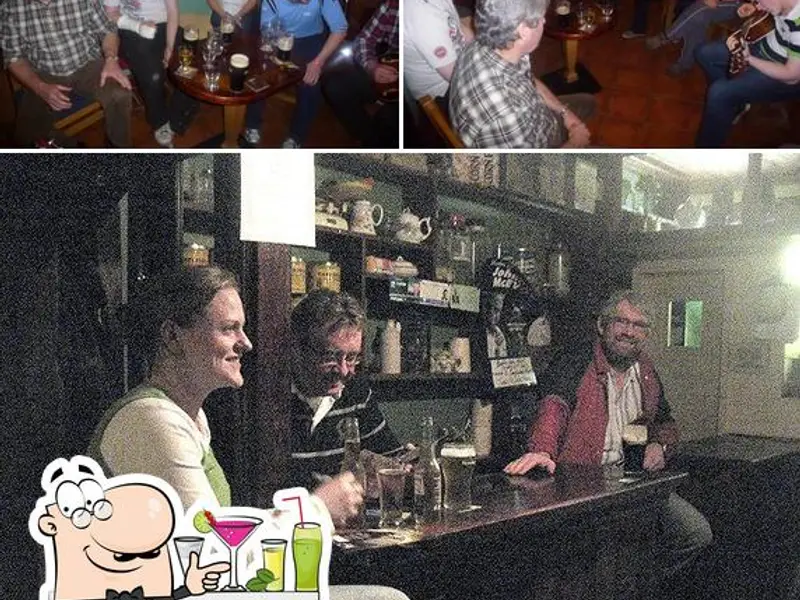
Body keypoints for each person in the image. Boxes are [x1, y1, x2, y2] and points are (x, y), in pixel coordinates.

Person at [88, 267, 362, 526]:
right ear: (172, 336)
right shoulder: (151, 419)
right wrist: (317, 508)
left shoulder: (190, 415)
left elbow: (220, 530)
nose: (246, 343)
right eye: (229, 328)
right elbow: (211, 546)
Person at [504, 289, 713, 582]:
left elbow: (665, 421)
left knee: (695, 533)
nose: (629, 332)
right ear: (602, 326)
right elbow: (554, 406)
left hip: (634, 481)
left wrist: (660, 445)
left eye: (639, 325)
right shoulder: (576, 361)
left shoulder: (647, 370)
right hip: (585, 485)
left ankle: (640, 587)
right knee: (593, 563)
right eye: (621, 322)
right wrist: (542, 450)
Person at [288, 289, 407, 492]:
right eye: (330, 357)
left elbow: (392, 457)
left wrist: (406, 466)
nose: (343, 371)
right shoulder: (270, 395)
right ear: (298, 349)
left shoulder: (356, 392)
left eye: (352, 357)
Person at [448, 0, 594, 148]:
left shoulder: (491, 44)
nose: (544, 21)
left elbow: (528, 80)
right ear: (524, 31)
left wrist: (565, 114)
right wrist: (576, 141)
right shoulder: (506, 114)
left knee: (589, 101)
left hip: (540, 116)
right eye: (541, 17)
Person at [0, 0, 133, 147]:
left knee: (120, 94)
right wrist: (39, 87)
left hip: (88, 63)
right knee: (25, 134)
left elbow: (108, 30)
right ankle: (69, 145)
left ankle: (117, 147)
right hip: (44, 72)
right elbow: (13, 57)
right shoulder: (10, 7)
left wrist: (111, 59)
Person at [241, 0, 348, 148]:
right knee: (261, 74)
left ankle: (296, 136)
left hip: (311, 38)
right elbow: (267, 30)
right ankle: (252, 124)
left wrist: (318, 62)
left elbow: (340, 29)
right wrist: (277, 52)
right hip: (278, 36)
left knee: (311, 83)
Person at [694, 0, 800, 147]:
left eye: (760, 1)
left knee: (719, 93)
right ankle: (736, 103)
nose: (760, 5)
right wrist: (754, 8)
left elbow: (792, 77)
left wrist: (749, 59)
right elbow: (769, 9)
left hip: (784, 74)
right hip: (765, 47)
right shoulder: (783, 3)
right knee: (704, 53)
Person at [104, 0, 197, 147]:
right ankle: (159, 121)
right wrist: (138, 26)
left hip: (165, 24)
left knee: (189, 66)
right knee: (153, 76)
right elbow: (110, 13)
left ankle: (177, 119)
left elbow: (172, 11)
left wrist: (169, 47)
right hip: (131, 28)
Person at [321, 0, 400, 148]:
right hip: (389, 74)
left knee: (389, 120)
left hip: (417, 92)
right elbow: (364, 39)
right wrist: (372, 66)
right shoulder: (392, 5)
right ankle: (368, 139)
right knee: (335, 86)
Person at [644, 0, 742, 76]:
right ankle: (685, 63)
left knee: (701, 8)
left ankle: (667, 37)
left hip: (741, 6)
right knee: (699, 18)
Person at [403, 0, 473, 105]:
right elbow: (458, 79)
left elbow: (464, 34)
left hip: (458, 68)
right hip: (441, 94)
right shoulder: (424, 17)